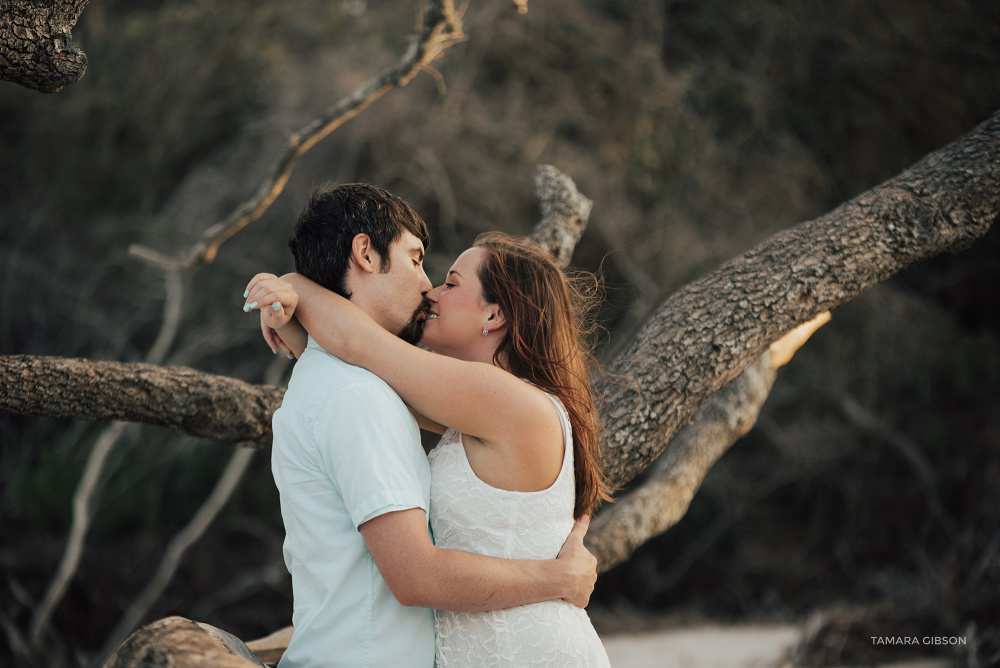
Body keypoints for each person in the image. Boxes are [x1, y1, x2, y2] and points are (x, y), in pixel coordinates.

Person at [244, 183, 599, 668]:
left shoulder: (508, 401)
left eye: (451, 284)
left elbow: (364, 351)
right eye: (422, 265)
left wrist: (297, 285)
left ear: (493, 314)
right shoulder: (471, 406)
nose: (431, 290)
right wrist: (299, 326)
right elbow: (354, 378)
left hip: (525, 651)